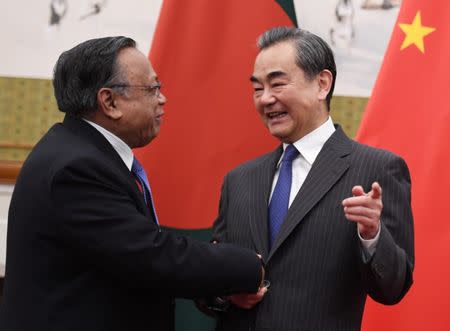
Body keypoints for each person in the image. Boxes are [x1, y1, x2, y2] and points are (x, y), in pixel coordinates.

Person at [0, 36, 265, 331]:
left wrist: (217, 284)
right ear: (110, 102)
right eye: (153, 89)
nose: (163, 99)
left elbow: (125, 259)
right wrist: (248, 266)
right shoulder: (76, 168)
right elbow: (151, 256)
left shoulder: (78, 151)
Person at [208, 27, 414, 330]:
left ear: (321, 84)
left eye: (277, 84)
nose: (266, 99)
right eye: (257, 88)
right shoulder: (239, 180)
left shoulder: (377, 169)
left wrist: (372, 235)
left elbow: (393, 288)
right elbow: (211, 273)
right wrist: (225, 292)